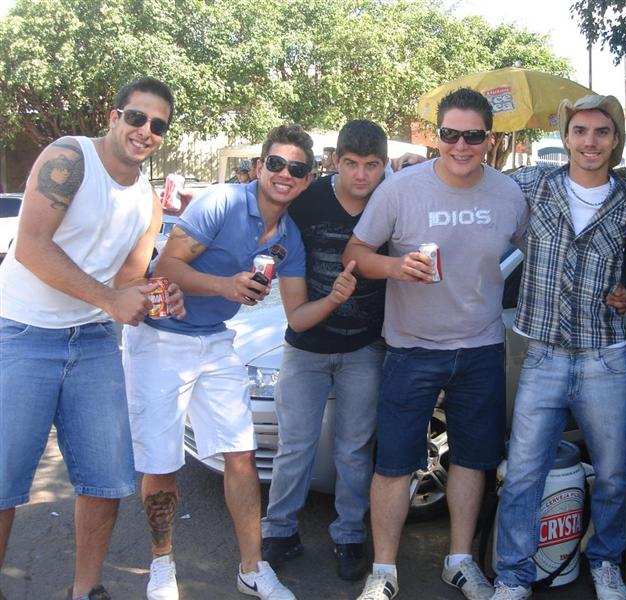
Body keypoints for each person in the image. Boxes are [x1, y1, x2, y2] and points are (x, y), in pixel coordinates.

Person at [122, 124, 356, 600]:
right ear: (259, 167)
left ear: (308, 178)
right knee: (162, 462)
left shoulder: (288, 237)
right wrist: (226, 285)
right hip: (161, 339)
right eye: (276, 163)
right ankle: (162, 567)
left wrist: (334, 298)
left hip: (215, 341)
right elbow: (166, 268)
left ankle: (252, 568)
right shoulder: (223, 202)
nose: (284, 174)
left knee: (241, 453)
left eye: (296, 169)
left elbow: (296, 316)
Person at [0, 77, 185, 600]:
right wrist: (109, 299)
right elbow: (31, 247)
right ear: (114, 116)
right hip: (22, 333)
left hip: (94, 342)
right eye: (136, 117)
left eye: (158, 125)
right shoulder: (70, 157)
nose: (145, 131)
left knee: (106, 481)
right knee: (4, 483)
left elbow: (127, 282)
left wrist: (158, 295)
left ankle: (86, 590)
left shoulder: (148, 203)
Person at [343, 88, 529, 600]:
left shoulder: (509, 194)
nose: (461, 146)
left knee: (473, 459)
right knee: (394, 463)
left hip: (481, 346)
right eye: (450, 134)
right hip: (411, 347)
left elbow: (540, 253)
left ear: (489, 139)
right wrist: (394, 265)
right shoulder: (401, 189)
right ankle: (383, 571)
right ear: (437, 136)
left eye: (473, 136)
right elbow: (356, 252)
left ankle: (460, 560)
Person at [491, 94, 626, 600]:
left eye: (601, 132)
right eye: (580, 131)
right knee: (523, 473)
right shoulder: (532, 184)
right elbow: (471, 194)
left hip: (604, 353)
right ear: (565, 137)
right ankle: (513, 575)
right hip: (543, 354)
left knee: (613, 472)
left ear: (616, 139)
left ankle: (605, 561)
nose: (590, 141)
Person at [260, 120, 389, 582]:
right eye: (351, 164)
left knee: (354, 449)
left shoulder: (391, 199)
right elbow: (269, 235)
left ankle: (350, 534)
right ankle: (279, 531)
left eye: (371, 165)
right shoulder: (308, 199)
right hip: (306, 346)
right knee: (295, 445)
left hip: (364, 347)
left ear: (384, 166)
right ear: (335, 161)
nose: (361, 175)